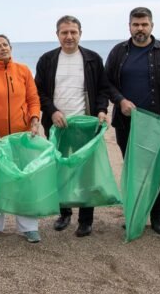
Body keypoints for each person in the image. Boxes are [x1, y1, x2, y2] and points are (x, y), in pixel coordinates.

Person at [106, 7, 160, 235]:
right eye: (136, 24)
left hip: (157, 122)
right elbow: (107, 83)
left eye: (144, 24)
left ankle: (158, 218)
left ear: (152, 26)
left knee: (157, 170)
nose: (140, 29)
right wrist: (120, 101)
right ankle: (134, 213)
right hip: (126, 122)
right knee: (132, 170)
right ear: (129, 26)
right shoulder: (119, 51)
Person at [35, 15, 110, 238]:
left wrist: (102, 110)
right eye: (64, 32)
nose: (69, 36)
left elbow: (103, 89)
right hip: (57, 125)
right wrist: (52, 111)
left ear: (80, 33)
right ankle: (64, 213)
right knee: (60, 170)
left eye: (73, 32)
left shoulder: (92, 59)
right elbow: (39, 92)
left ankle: (86, 220)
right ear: (57, 34)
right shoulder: (47, 60)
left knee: (87, 172)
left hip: (86, 125)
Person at [0, 34, 42, 243]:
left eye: (5, 45)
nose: (3, 48)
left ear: (11, 47)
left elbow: (33, 99)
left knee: (24, 179)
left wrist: (34, 119)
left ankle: (28, 227)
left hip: (22, 137)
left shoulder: (23, 70)